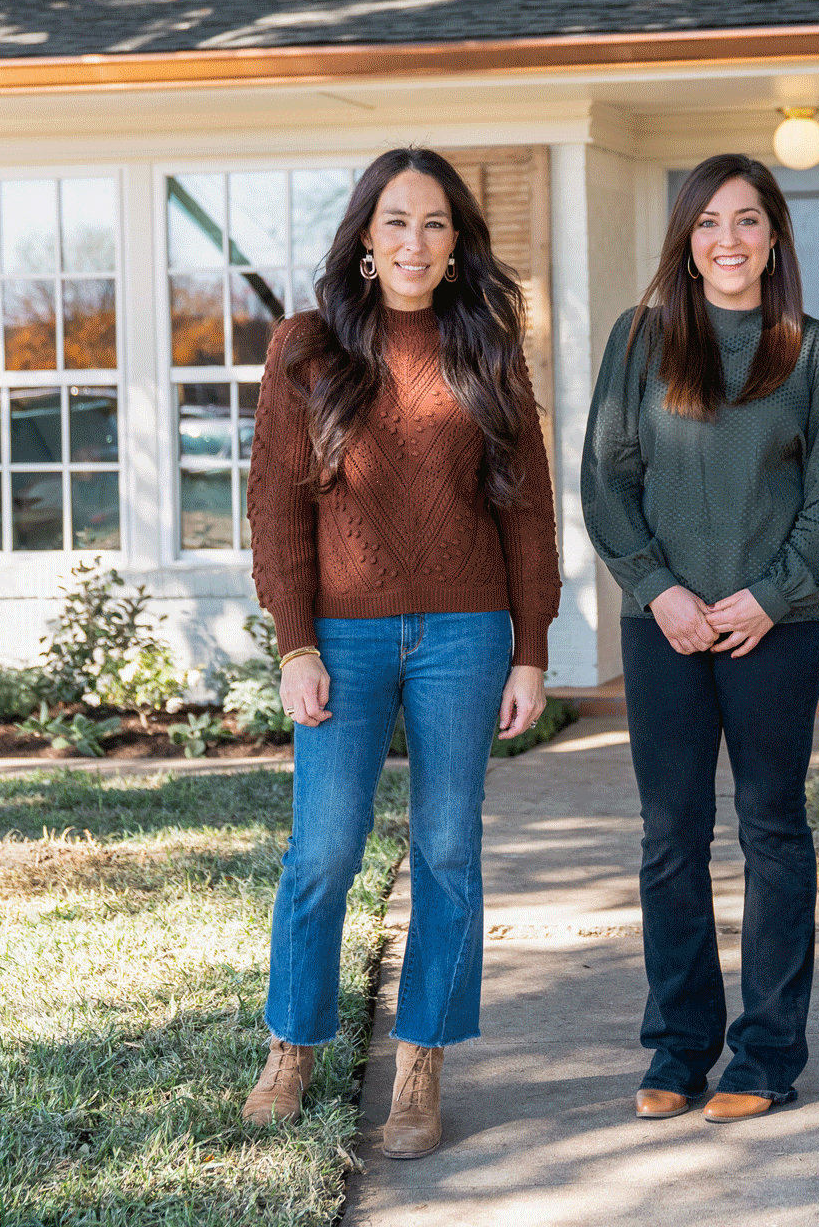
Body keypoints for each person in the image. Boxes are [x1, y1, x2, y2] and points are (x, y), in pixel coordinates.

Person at [243, 148, 560, 1158]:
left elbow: (527, 510)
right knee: (324, 850)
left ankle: (420, 1062)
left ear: (455, 243)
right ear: (364, 241)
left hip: (465, 637)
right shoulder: (307, 346)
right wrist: (295, 643)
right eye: (394, 222)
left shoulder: (486, 347)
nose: (413, 241)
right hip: (340, 636)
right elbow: (276, 511)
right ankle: (291, 1046)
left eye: (433, 223)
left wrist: (530, 649)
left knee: (448, 851)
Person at [582, 153, 819, 1125]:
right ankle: (677, 1045)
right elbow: (606, 478)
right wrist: (657, 590)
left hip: (771, 632)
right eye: (708, 222)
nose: (728, 239)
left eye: (747, 220)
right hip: (661, 627)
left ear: (774, 237)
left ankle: (767, 1055)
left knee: (771, 832)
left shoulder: (815, 353)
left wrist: (768, 597)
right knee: (670, 839)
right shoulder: (639, 339)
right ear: (685, 240)